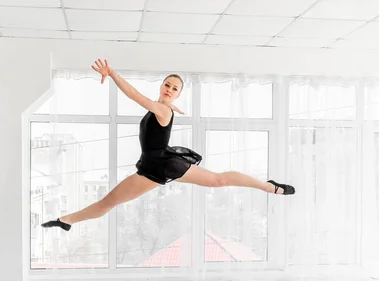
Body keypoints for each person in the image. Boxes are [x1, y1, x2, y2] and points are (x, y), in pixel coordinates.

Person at [41, 59, 295, 231]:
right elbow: (157, 109)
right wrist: (169, 104)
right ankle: (65, 220)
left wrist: (113, 74)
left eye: (175, 88)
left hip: (161, 165)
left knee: (219, 180)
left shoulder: (161, 109)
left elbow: (134, 95)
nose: (170, 89)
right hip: (154, 163)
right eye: (168, 85)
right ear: (162, 86)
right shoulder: (163, 107)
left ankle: (268, 187)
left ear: (178, 93)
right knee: (109, 202)